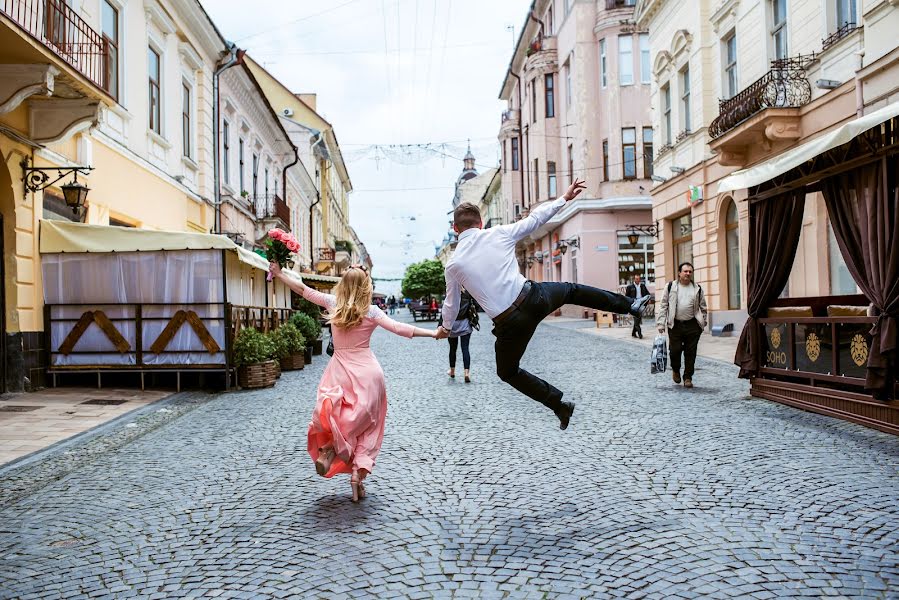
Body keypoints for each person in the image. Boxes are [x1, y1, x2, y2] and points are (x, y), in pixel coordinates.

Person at [436, 179, 651, 430]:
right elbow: (535, 219)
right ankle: (631, 305)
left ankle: (559, 405)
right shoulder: (499, 233)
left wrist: (446, 328)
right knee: (572, 290)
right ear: (481, 223)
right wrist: (564, 198)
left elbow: (451, 304)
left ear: (455, 228)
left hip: (510, 324)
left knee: (507, 372)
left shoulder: (453, 265)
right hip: (534, 297)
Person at [270, 261, 438, 502]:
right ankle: (357, 476)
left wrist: (278, 273)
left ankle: (329, 448)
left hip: (339, 372)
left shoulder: (332, 303)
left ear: (343, 284)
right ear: (365, 286)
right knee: (368, 426)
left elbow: (302, 289)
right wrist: (433, 333)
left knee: (337, 417)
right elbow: (399, 328)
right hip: (368, 375)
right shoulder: (371, 311)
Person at [656, 262, 708, 389]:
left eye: (690, 271)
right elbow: (664, 305)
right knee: (675, 350)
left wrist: (703, 323)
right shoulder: (670, 287)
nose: (688, 274)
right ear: (679, 273)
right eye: (685, 271)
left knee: (691, 352)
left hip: (692, 325)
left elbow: (703, 307)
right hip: (675, 324)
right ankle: (675, 369)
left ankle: (688, 377)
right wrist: (661, 323)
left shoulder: (697, 288)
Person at [447, 289, 475, 383]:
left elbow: (445, 309)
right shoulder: (468, 293)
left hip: (452, 324)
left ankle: (452, 371)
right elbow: (476, 305)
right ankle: (466, 373)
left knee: (452, 349)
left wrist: (440, 325)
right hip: (465, 324)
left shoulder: (451, 293)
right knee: (465, 348)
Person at [625, 274, 650, 339]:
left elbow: (648, 294)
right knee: (636, 318)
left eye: (639, 279)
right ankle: (640, 333)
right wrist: (628, 305)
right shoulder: (630, 287)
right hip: (634, 304)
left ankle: (633, 333)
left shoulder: (643, 286)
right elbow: (626, 297)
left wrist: (647, 301)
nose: (638, 280)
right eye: (636, 279)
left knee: (638, 319)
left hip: (641, 304)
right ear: (634, 279)